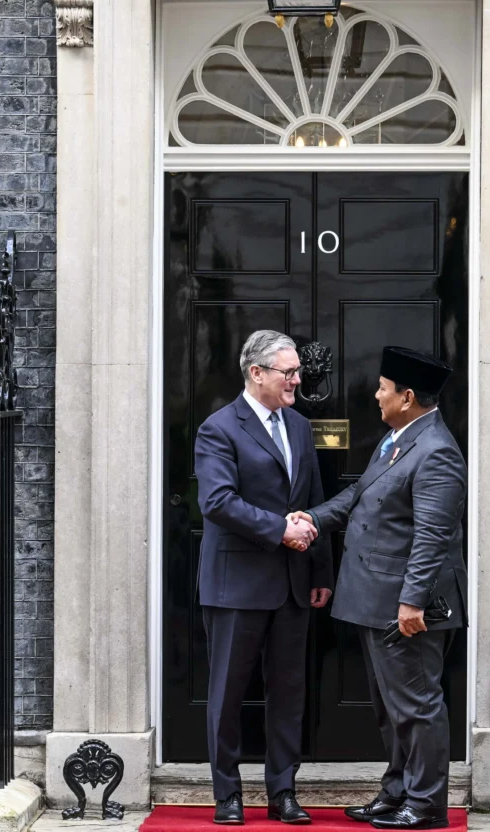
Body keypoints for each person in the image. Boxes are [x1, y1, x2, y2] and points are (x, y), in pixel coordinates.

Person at [288, 346, 465, 831]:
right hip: (375, 599)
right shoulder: (397, 440)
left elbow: (432, 536)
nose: (376, 394)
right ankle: (396, 793)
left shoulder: (436, 451)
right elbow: (357, 495)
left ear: (407, 397)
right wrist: (313, 518)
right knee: (392, 709)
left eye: (384, 388)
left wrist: (413, 602)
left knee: (416, 707)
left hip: (405, 606)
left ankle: (426, 805)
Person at [195, 330, 334, 826]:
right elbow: (216, 502)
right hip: (237, 583)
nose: (299, 379)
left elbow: (314, 496)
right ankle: (227, 794)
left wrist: (320, 568)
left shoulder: (298, 425)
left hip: (295, 583)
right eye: (289, 372)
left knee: (288, 692)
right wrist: (279, 530)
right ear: (257, 373)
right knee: (228, 693)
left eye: (297, 371)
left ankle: (283, 792)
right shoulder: (218, 428)